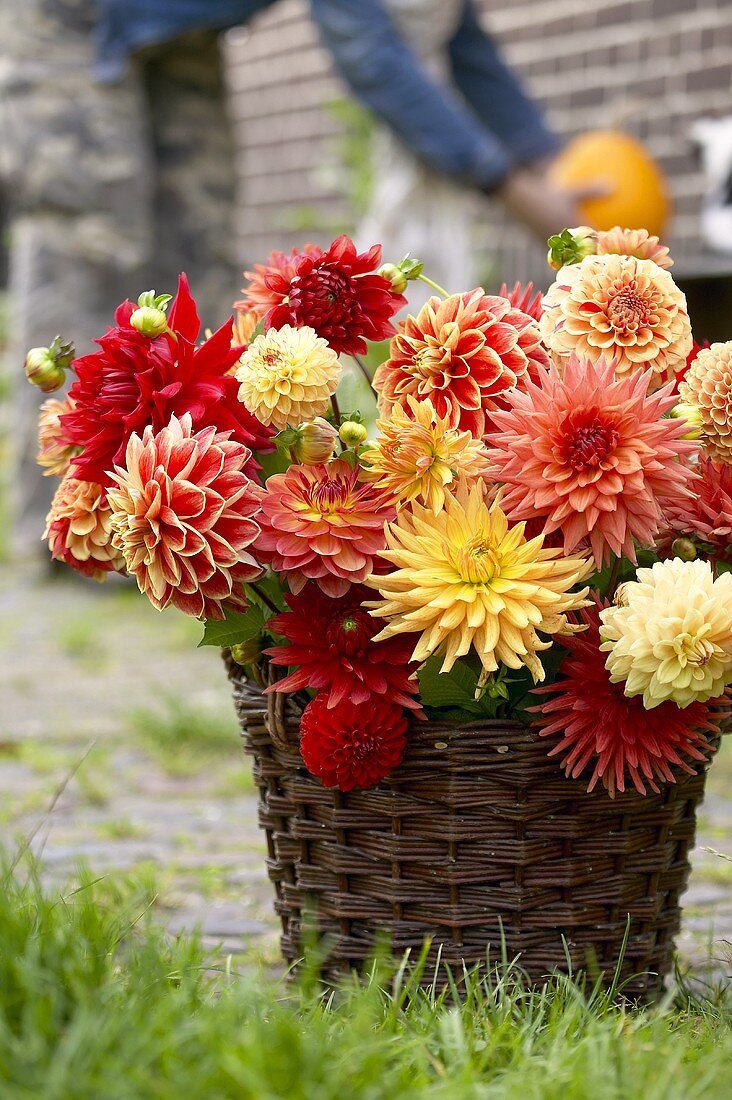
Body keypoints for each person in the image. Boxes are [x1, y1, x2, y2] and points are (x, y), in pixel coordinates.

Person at [0, 0, 582, 552]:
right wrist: (510, 187)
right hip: (76, 19)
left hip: (180, 29)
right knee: (89, 241)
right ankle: (67, 521)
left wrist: (546, 159)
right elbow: (371, 55)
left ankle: (179, 505)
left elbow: (458, 34)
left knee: (196, 251)